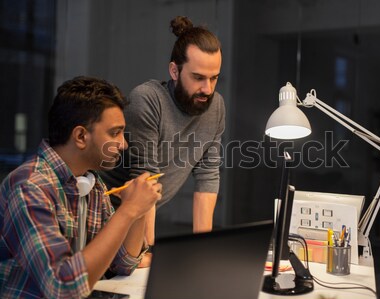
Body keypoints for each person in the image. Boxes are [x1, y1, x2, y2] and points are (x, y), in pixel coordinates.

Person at [0, 76, 162, 298]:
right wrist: (128, 211)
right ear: (80, 136)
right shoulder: (30, 187)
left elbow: (123, 263)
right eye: (115, 133)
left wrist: (139, 210)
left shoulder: (90, 183)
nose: (123, 144)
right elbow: (63, 287)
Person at [100, 16, 225, 265]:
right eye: (198, 77)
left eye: (214, 78)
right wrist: (148, 251)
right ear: (174, 71)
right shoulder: (147, 100)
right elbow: (146, 178)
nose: (208, 89)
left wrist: (204, 251)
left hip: (142, 214)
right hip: (105, 214)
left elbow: (208, 175)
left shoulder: (216, 106)